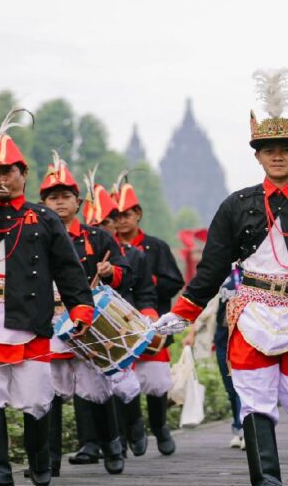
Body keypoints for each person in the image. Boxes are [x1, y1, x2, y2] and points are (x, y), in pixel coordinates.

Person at [151, 68, 288, 486]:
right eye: (268, 148)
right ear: (256, 154)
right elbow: (212, 269)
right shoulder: (236, 205)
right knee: (254, 403)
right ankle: (266, 482)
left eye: (287, 148)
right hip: (251, 314)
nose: (278, 155)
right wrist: (182, 313)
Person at [0, 109, 95, 486]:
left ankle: (39, 462)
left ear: (24, 174)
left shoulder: (44, 217)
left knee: (36, 398)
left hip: (30, 315)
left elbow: (69, 269)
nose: (0, 177)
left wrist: (82, 307)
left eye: (8, 170)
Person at [38, 155, 132, 476]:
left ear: (77, 202)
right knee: (46, 393)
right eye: (53, 197)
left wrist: (108, 271)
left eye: (65, 197)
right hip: (48, 321)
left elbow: (125, 272)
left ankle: (112, 446)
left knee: (97, 388)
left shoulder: (98, 237)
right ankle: (47, 461)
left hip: (86, 321)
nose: (59, 202)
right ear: (43, 203)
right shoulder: (34, 235)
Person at [113, 173, 185, 456]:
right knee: (121, 382)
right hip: (119, 326)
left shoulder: (156, 247)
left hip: (151, 322)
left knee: (156, 382)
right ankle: (132, 428)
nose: (121, 221)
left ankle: (160, 426)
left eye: (126, 214)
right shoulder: (110, 247)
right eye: (115, 216)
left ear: (138, 214)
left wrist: (148, 279)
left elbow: (174, 283)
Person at [82, 172, 153, 460]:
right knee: (89, 386)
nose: (102, 228)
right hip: (83, 321)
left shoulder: (133, 253)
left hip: (121, 322)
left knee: (122, 382)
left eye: (107, 223)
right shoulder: (72, 246)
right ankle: (99, 442)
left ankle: (133, 425)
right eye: (95, 224)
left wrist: (111, 273)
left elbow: (145, 289)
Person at [183, 269, 246, 451]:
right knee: (231, 387)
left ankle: (246, 429)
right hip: (223, 337)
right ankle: (238, 428)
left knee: (244, 385)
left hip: (247, 336)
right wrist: (192, 332)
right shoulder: (224, 272)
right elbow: (208, 305)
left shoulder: (255, 270)